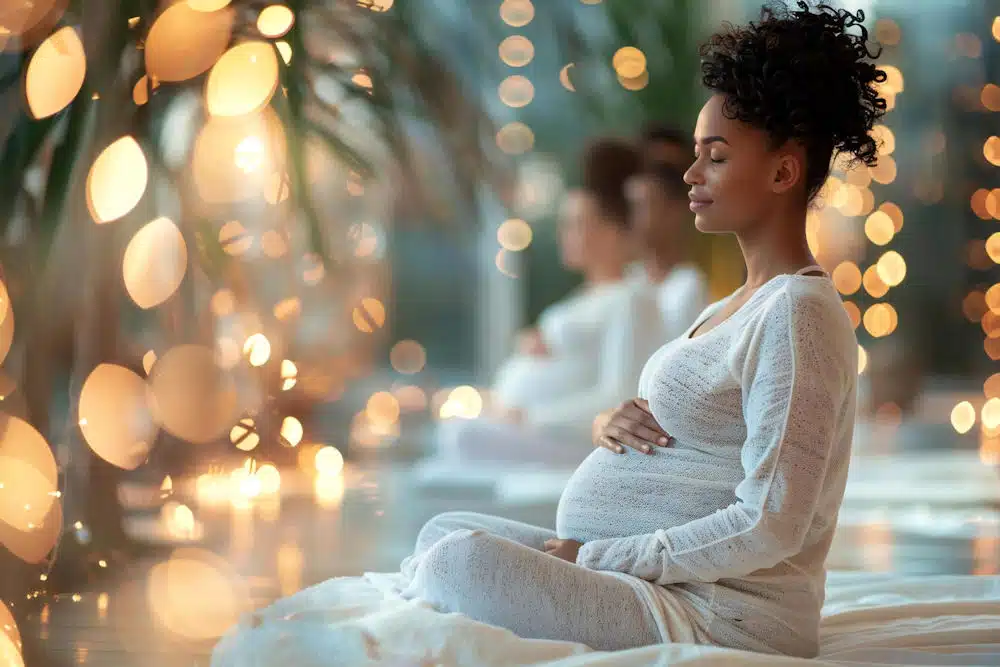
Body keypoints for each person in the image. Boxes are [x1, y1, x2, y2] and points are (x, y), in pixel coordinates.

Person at [399, 1, 879, 656]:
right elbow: (683, 432)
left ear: (782, 171)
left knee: (460, 563)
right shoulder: (733, 304)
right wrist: (607, 426)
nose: (690, 174)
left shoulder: (798, 313)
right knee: (442, 531)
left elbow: (773, 521)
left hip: (717, 608)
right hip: (658, 579)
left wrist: (598, 555)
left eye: (714, 156)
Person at [431, 138, 665, 468]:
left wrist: (530, 415)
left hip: (565, 437)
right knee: (449, 426)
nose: (562, 236)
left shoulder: (632, 300)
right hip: (525, 421)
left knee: (458, 435)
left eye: (574, 224)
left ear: (612, 231)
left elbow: (620, 395)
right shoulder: (581, 299)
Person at [625, 125, 709, 340]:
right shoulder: (629, 278)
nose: (633, 218)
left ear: (675, 210)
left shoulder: (688, 287)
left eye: (644, 206)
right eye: (631, 206)